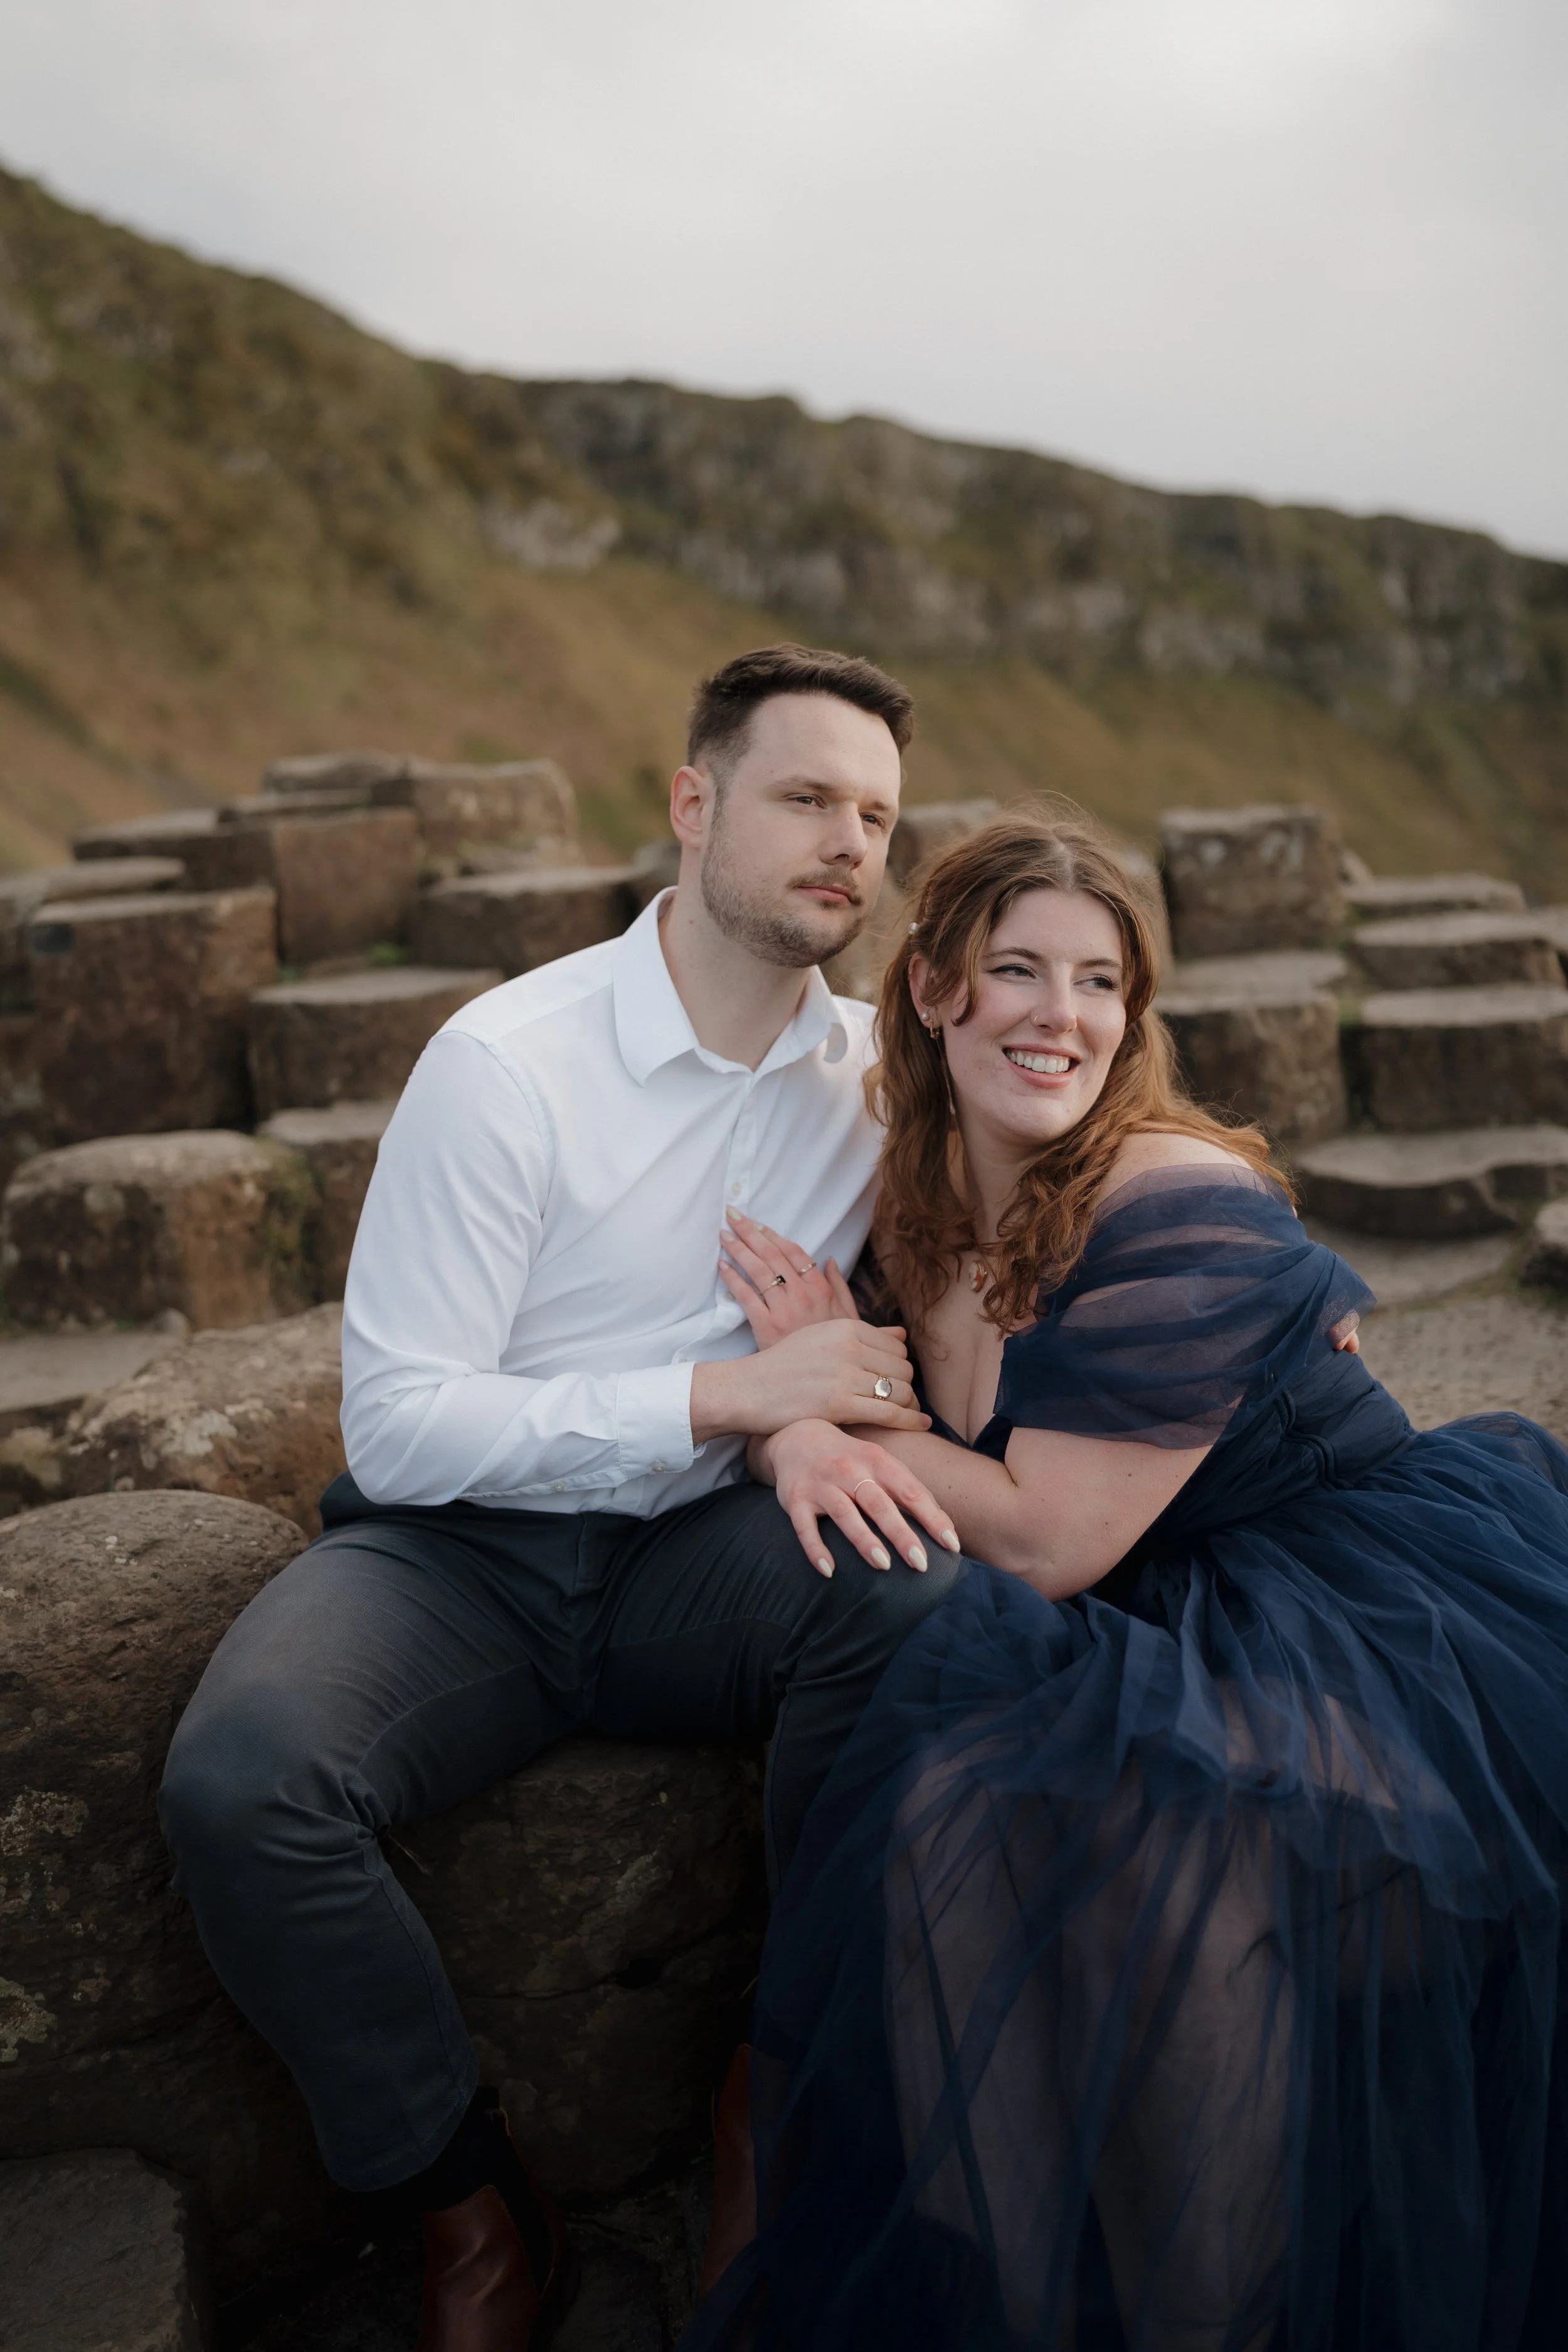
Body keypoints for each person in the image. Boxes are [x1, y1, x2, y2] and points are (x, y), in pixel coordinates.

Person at [157, 644, 970, 2352]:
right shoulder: (505, 1061)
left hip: (700, 1556)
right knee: (245, 1780)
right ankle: (467, 2195)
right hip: (459, 1560)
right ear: (693, 804)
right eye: (805, 796)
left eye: (876, 816)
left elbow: (1077, 1136)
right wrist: (729, 1396)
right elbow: (398, 1424)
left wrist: (1253, 1255)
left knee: (913, 1601)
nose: (847, 843)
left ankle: (769, 2088)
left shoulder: (874, 1083)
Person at [683, 809, 1568, 2352]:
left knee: (1188, 1887)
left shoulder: (1167, 1196)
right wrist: (805, 1397)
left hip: (1346, 1597)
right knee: (956, 1854)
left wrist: (824, 1393)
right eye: (1018, 971)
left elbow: (1040, 1537)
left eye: (1099, 985)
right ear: (932, 988)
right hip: (1150, 1607)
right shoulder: (902, 1203)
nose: (1062, 1017)